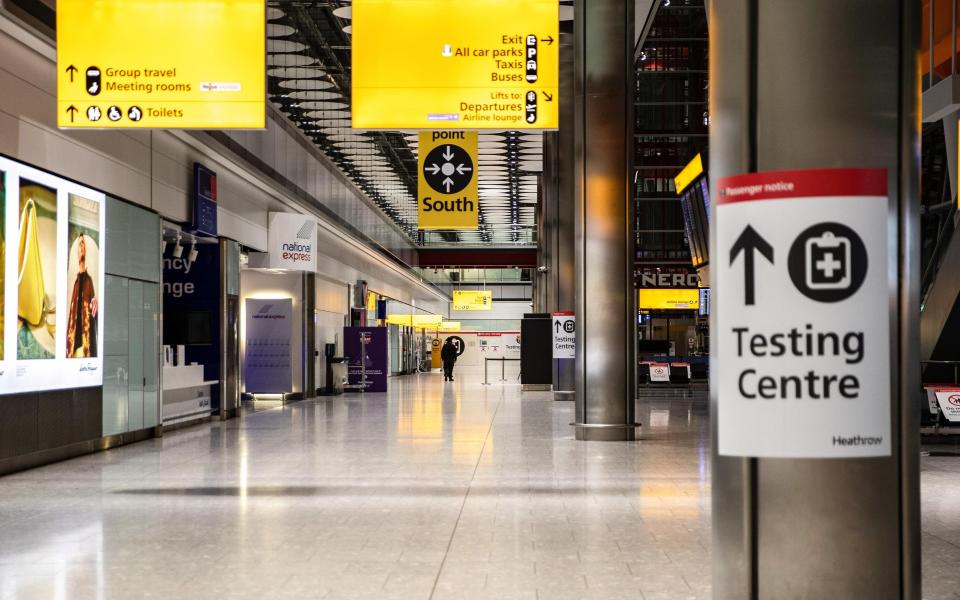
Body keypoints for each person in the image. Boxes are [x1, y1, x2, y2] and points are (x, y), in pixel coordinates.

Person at [65, 233, 98, 358]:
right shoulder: (75, 281)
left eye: (83, 243)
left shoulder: (89, 281)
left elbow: (92, 317)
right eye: (79, 244)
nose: (81, 247)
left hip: (85, 346)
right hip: (74, 348)